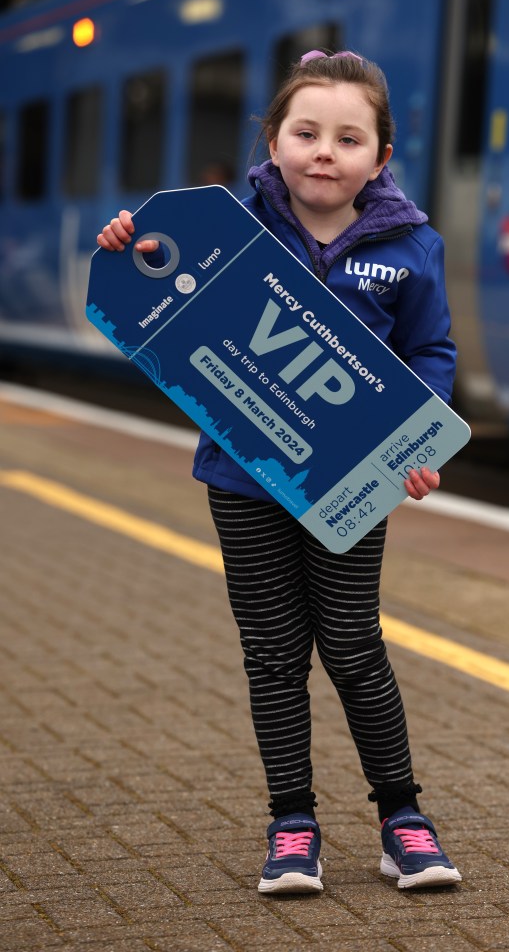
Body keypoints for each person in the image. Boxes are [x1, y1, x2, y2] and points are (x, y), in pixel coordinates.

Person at [97, 48, 461, 896]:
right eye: (305, 132)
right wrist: (125, 240)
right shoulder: (231, 226)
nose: (323, 151)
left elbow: (432, 352)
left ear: (381, 158)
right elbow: (155, 268)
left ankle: (403, 819)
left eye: (347, 137)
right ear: (273, 140)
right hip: (243, 477)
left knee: (353, 646)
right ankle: (292, 825)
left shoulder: (411, 247)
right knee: (271, 655)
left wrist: (418, 445)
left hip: (350, 487)